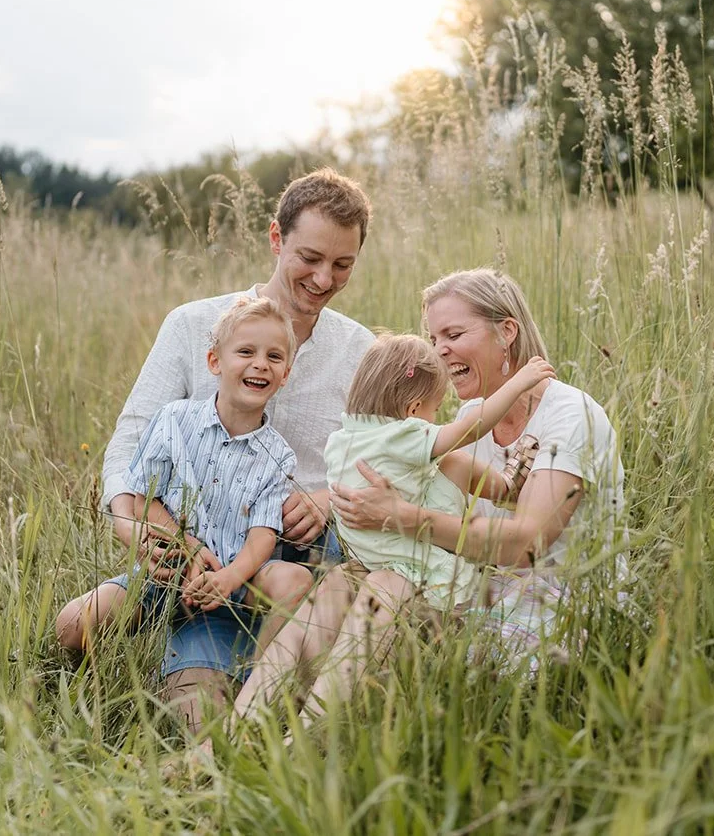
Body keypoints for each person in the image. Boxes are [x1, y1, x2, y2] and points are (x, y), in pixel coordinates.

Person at [232, 268, 625, 723]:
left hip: (554, 602)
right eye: (434, 337)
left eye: (453, 334)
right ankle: (241, 733)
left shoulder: (569, 415)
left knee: (385, 586)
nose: (440, 350)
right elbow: (429, 474)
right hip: (475, 588)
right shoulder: (474, 413)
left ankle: (309, 737)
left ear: (507, 332)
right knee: (342, 583)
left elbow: (528, 545)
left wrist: (400, 516)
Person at [93, 168, 375, 732]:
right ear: (276, 239)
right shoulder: (194, 324)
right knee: (195, 718)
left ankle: (284, 689)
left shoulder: (361, 350)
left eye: (342, 264)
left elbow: (389, 466)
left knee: (302, 714)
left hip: (307, 561)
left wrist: (325, 497)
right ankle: (176, 650)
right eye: (309, 257)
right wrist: (151, 533)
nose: (323, 278)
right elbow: (129, 447)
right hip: (200, 558)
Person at [55, 297, 314, 660]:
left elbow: (262, 536)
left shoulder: (278, 454)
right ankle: (110, 668)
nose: (260, 364)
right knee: (71, 624)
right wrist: (188, 545)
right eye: (245, 352)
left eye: (274, 357)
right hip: (167, 573)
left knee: (294, 580)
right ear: (214, 361)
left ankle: (258, 670)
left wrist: (229, 578)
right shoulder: (174, 420)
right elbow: (145, 500)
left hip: (237, 583)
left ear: (286, 373)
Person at [325, 333, 555, 611]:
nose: (436, 420)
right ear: (413, 409)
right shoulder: (402, 435)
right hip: (414, 561)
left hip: (369, 553)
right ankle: (505, 487)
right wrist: (518, 383)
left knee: (440, 464)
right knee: (455, 460)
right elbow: (471, 428)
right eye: (435, 410)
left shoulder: (343, 437)